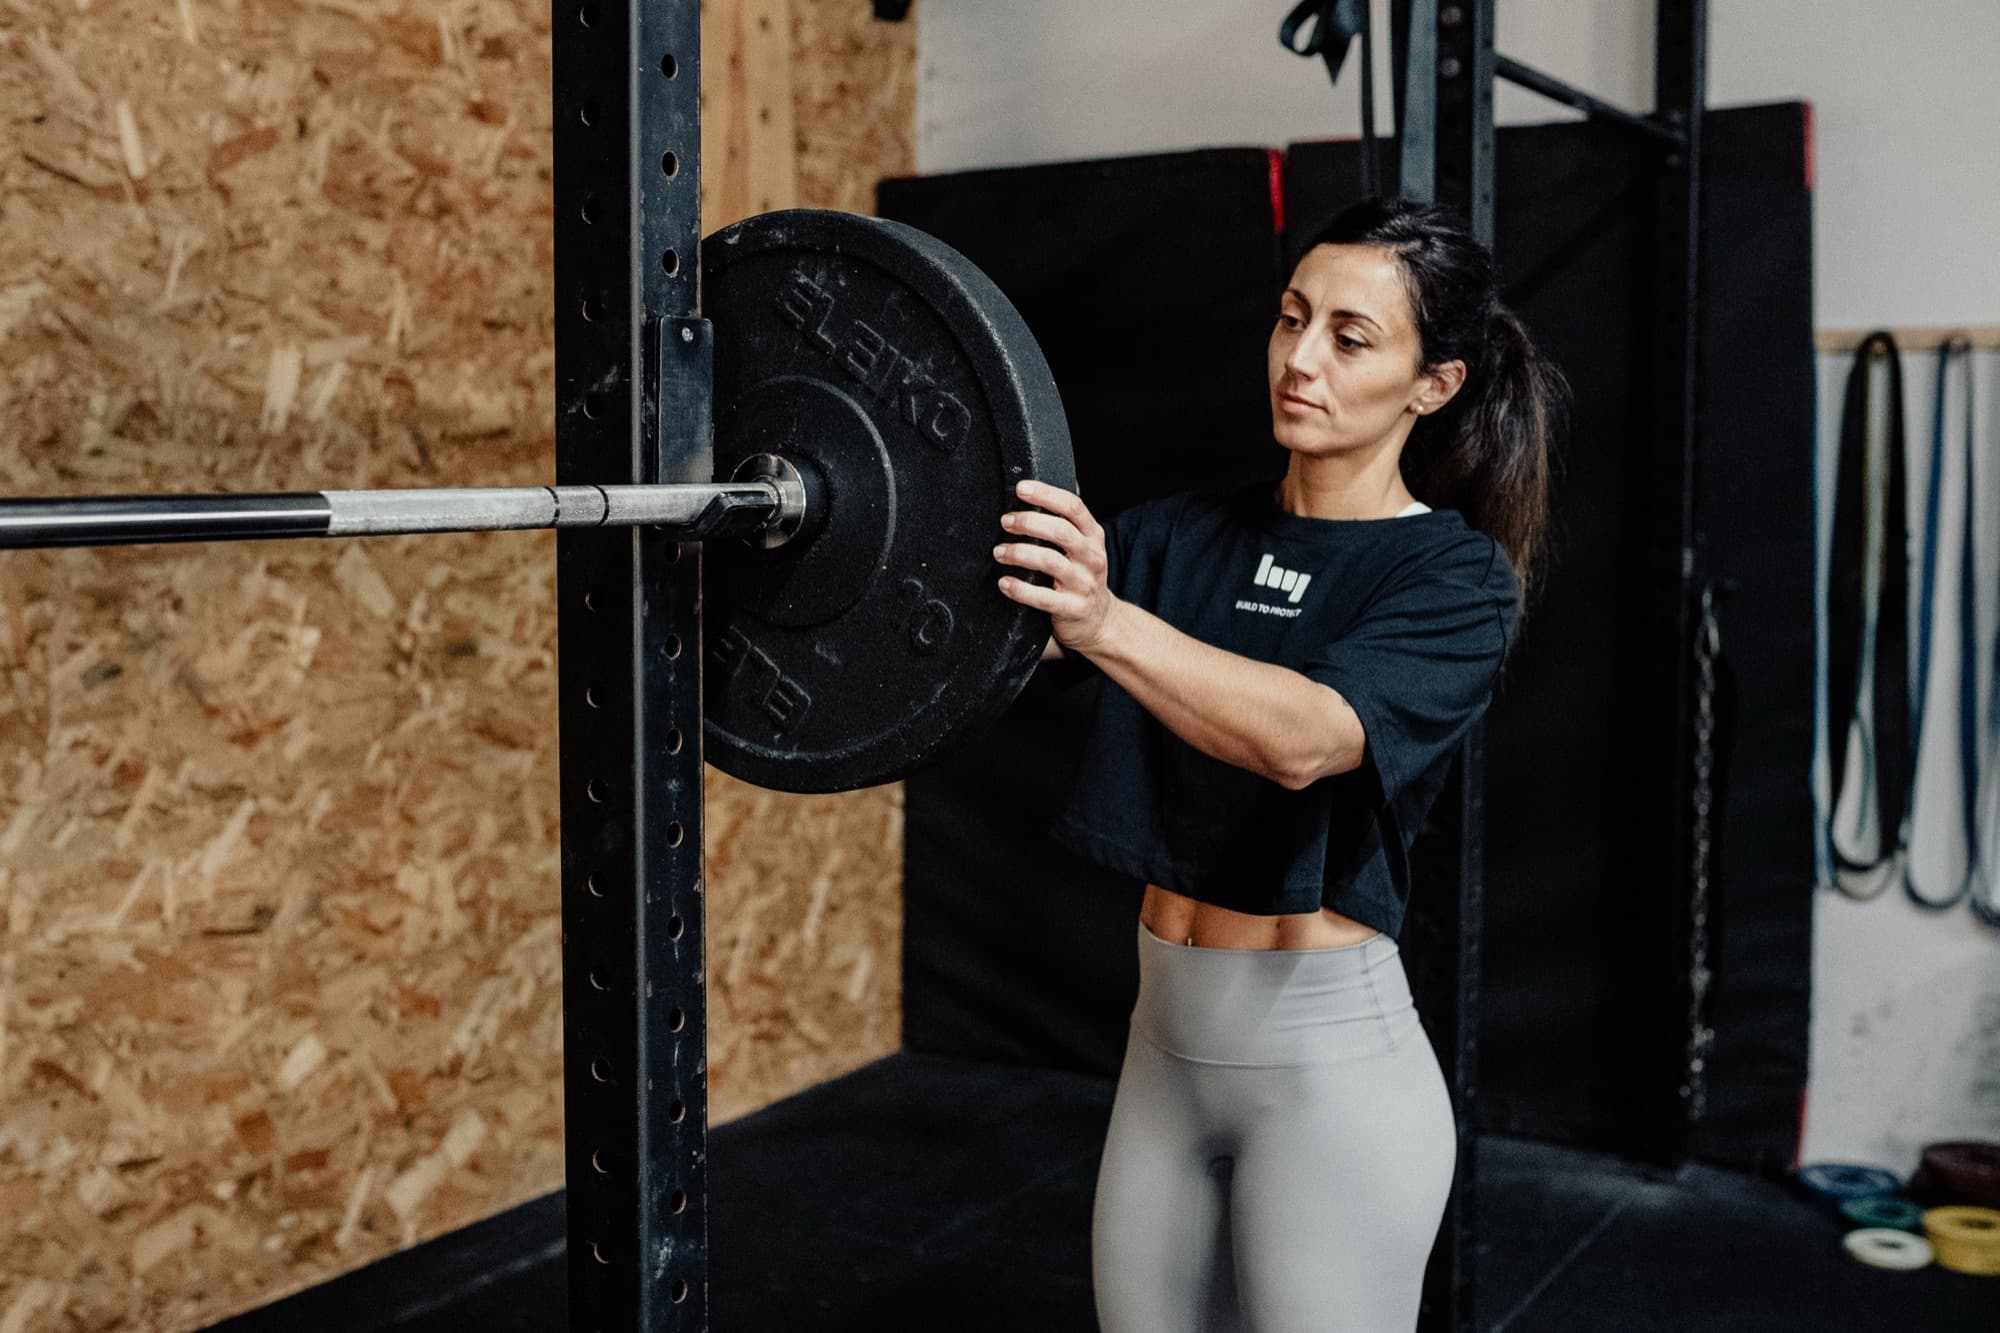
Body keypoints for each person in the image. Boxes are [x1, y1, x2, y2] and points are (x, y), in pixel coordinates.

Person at [992, 196, 1567, 1333]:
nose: (1299, 358)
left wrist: (1105, 621)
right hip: (1161, 1048)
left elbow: (1304, 739)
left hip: (1326, 1075)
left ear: (1431, 384)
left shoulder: (1450, 580)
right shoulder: (1170, 539)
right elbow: (970, 631)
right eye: (1290, 318)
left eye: (1349, 338)